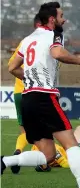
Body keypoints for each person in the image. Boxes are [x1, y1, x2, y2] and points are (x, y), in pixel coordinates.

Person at [2, 1, 80, 188]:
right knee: (71, 145)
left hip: (28, 99)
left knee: (48, 155)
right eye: (61, 16)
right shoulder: (54, 34)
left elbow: (12, 67)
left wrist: (30, 78)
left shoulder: (27, 39)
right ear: (52, 20)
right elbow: (57, 53)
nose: (64, 19)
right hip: (44, 97)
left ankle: (5, 161)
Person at [7, 14, 41, 174]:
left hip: (18, 92)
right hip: (33, 92)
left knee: (25, 131)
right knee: (40, 130)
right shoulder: (46, 43)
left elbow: (11, 65)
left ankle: (18, 152)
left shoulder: (25, 43)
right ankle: (41, 161)